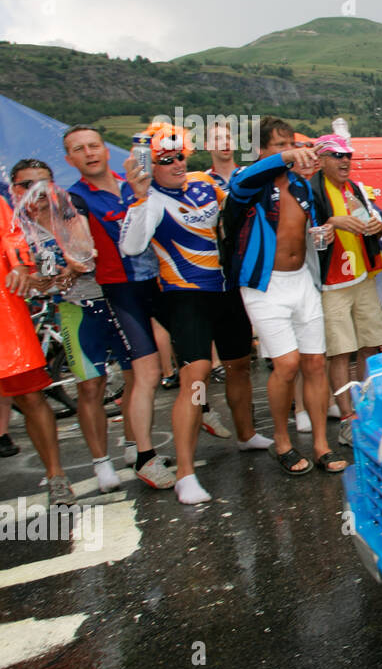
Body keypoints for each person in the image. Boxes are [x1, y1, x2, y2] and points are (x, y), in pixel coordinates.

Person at [118, 125, 272, 503]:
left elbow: (237, 206)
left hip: (226, 292)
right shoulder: (150, 199)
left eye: (179, 157)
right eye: (164, 160)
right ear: (149, 166)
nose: (175, 164)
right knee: (197, 377)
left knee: (238, 365)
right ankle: (186, 474)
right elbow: (131, 246)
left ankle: (245, 433)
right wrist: (138, 198)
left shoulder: (204, 182)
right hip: (186, 297)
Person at [226, 117, 346, 475]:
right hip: (264, 286)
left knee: (314, 363)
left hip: (301, 282)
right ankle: (282, 441)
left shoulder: (300, 185)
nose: (289, 151)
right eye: (280, 145)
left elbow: (300, 231)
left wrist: (317, 237)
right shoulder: (248, 181)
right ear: (262, 150)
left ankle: (323, 444)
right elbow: (246, 182)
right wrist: (284, 158)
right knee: (287, 364)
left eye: (290, 144)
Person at [9, 159, 129, 494]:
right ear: (15, 189)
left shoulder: (72, 212)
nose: (37, 190)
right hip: (74, 310)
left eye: (43, 182)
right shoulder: (17, 230)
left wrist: (73, 269)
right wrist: (45, 280)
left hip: (112, 299)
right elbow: (27, 282)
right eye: (27, 184)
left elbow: (88, 256)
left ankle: (136, 448)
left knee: (135, 377)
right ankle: (102, 463)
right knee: (91, 386)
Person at [64, 124, 173, 487]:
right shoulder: (75, 197)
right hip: (118, 290)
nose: (89, 152)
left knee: (165, 368)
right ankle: (144, 457)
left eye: (94, 145)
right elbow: (78, 242)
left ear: (106, 149)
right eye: (79, 149)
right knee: (146, 374)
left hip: (158, 282)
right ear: (70, 159)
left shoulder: (132, 179)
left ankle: (136, 446)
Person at [310, 134, 382, 447]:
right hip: (332, 284)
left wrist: (376, 226)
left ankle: (368, 410)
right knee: (341, 352)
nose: (345, 161)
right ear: (321, 160)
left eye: (348, 156)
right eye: (337, 156)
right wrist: (331, 222)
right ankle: (347, 419)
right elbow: (308, 231)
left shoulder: (353, 188)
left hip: (363, 277)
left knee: (372, 345)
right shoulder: (312, 189)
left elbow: (368, 221)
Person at [1, 193, 78, 505]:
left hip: (5, 319)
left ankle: (56, 476)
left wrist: (21, 266)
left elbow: (11, 234)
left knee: (30, 397)